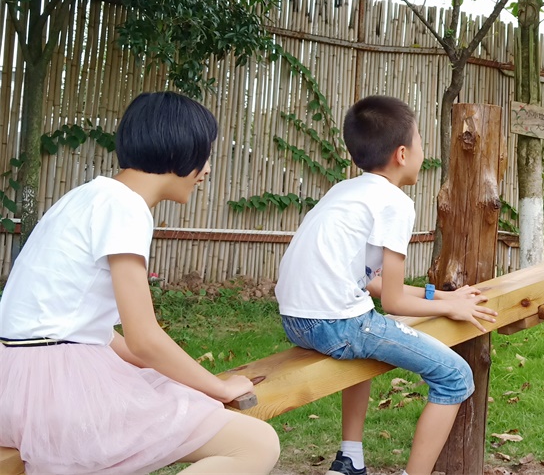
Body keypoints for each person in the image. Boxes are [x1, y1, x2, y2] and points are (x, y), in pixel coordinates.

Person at [0, 91, 280, 474]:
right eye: (206, 154)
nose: (208, 169)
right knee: (256, 444)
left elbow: (85, 329)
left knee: (170, 389)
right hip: (58, 394)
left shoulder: (84, 197)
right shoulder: (126, 207)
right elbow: (144, 338)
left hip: (14, 386)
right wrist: (219, 387)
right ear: (180, 150)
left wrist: (183, 376)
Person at [274, 95, 498, 475]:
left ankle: (350, 459)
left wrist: (442, 295)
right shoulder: (395, 202)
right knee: (456, 377)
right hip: (337, 325)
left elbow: (373, 284)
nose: (424, 152)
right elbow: (393, 301)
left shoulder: (345, 191)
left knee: (362, 341)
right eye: (421, 142)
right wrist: (450, 308)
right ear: (401, 154)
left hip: (296, 320)